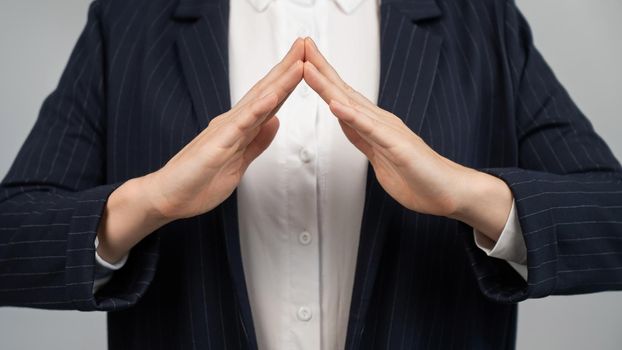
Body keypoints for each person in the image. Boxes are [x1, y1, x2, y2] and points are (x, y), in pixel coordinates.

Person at [1, 0, 621, 349]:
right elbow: (11, 241)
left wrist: (467, 194)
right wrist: (149, 202)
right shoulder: (128, 21)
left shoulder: (478, 19)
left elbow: (610, 217)